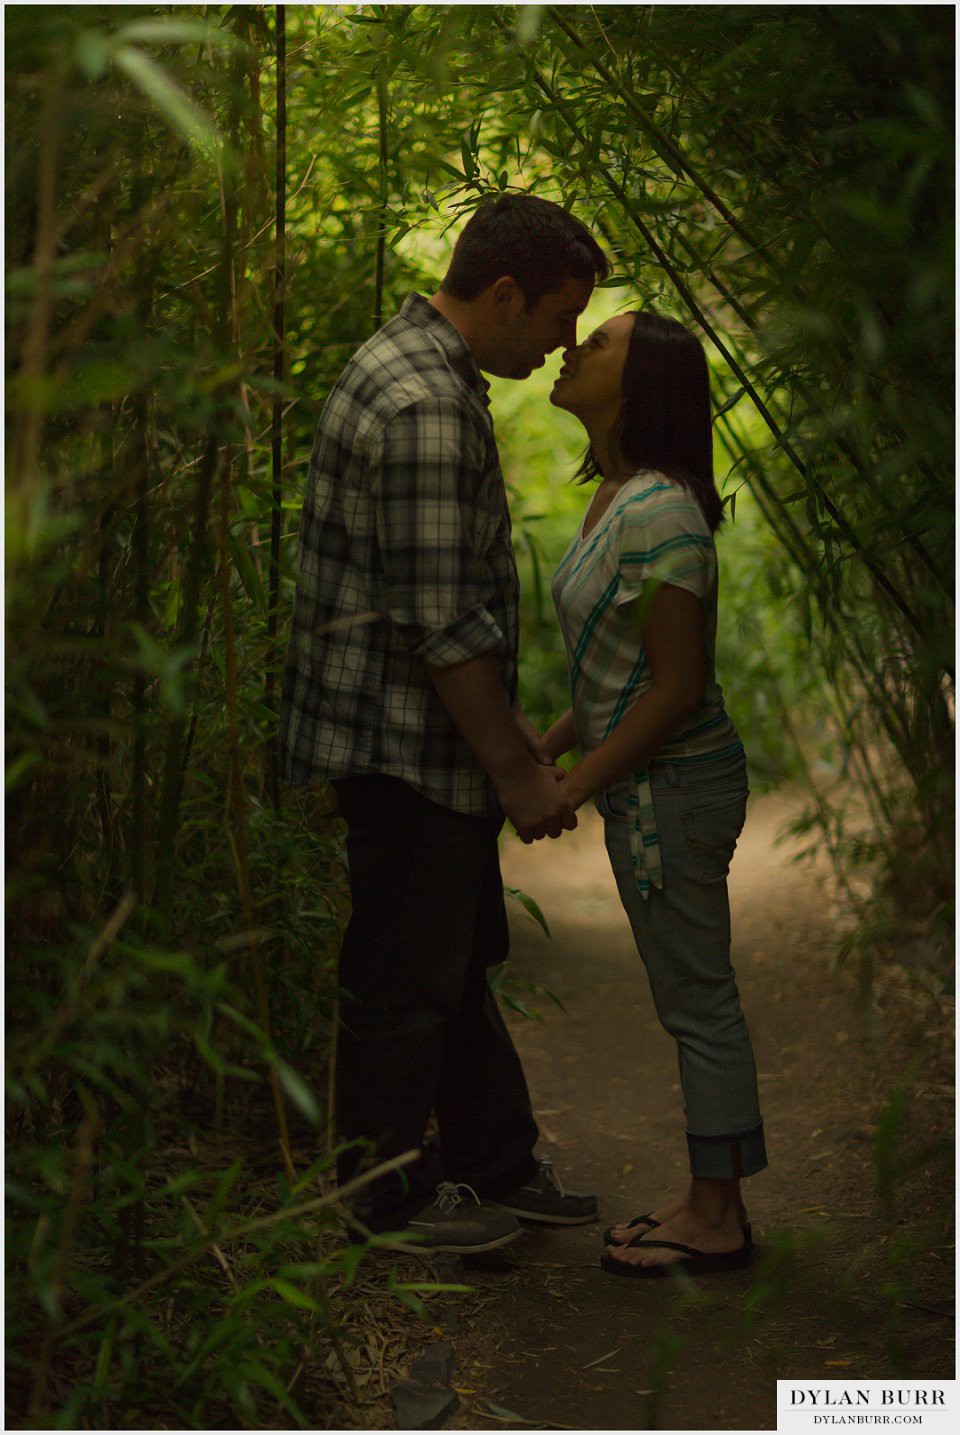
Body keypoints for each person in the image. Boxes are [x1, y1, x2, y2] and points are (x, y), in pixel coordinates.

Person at [280, 195, 608, 1254]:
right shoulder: (423, 402)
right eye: (560, 317)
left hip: (414, 740)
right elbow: (440, 626)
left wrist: (509, 750)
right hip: (402, 747)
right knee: (405, 976)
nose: (563, 343)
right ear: (504, 293)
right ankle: (381, 1201)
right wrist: (516, 770)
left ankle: (492, 1161)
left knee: (452, 958)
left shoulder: (418, 369)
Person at [541, 309, 767, 1277]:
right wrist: (543, 741)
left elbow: (675, 689)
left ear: (644, 385)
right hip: (648, 787)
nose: (572, 346)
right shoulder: (620, 499)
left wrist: (570, 785)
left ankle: (719, 1217)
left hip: (674, 789)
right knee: (691, 997)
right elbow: (621, 673)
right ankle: (705, 1196)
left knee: (699, 1001)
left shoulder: (663, 511)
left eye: (599, 343)